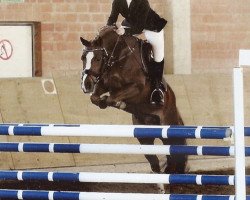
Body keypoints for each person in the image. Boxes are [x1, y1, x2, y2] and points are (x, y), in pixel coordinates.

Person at [107, 0, 167, 105]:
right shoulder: (117, 1)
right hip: (131, 24)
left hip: (152, 27)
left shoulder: (143, 2)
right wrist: (107, 29)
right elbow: (112, 18)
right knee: (119, 44)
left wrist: (124, 31)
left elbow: (140, 27)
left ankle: (157, 89)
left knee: (158, 57)